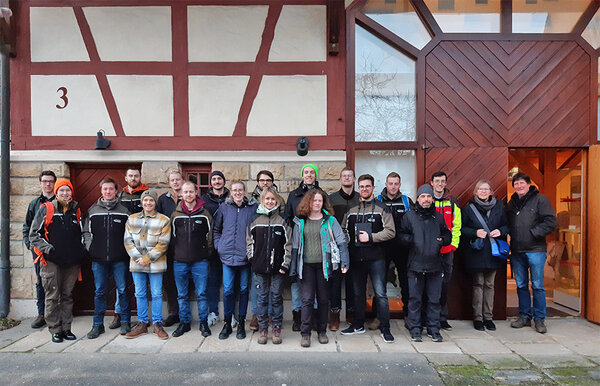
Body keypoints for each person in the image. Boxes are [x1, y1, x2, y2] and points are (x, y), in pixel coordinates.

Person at [29, 179, 87, 343]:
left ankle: (67, 328)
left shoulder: (76, 210)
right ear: (56, 192)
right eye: (61, 190)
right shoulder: (46, 209)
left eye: (67, 190)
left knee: (67, 295)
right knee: (52, 296)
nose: (65, 193)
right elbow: (34, 235)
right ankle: (55, 329)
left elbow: (84, 233)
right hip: (51, 261)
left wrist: (82, 250)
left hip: (72, 262)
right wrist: (49, 250)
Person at [290, 189, 349, 347]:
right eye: (314, 200)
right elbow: (295, 246)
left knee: (323, 300)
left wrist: (345, 262)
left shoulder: (330, 220)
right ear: (308, 202)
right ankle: (306, 333)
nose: (317, 203)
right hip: (306, 266)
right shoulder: (300, 221)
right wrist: (293, 268)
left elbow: (341, 241)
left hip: (325, 266)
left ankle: (322, 331)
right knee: (307, 300)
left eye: (320, 201)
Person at [341, 174, 396, 343]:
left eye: (367, 186)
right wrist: (349, 241)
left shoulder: (382, 209)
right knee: (358, 294)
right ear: (359, 189)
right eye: (362, 186)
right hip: (357, 259)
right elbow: (343, 230)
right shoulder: (351, 210)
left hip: (376, 258)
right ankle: (358, 324)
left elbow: (391, 231)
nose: (364, 189)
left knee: (380, 294)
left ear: (373, 188)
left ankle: (385, 327)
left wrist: (371, 237)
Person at [399, 184, 451, 343]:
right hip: (415, 265)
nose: (426, 199)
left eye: (429, 196)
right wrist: (411, 241)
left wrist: (441, 241)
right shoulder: (409, 217)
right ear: (418, 199)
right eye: (423, 196)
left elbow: (447, 234)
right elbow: (401, 235)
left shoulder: (438, 217)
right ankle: (415, 329)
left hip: (435, 265)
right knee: (415, 299)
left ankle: (434, 329)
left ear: (432, 198)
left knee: (434, 300)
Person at [506, 172, 557, 334]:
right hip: (517, 250)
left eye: (522, 183)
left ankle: (540, 319)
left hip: (535, 250)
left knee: (537, 285)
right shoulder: (512, 202)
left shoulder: (540, 200)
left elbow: (551, 222)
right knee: (521, 285)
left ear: (528, 184)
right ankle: (524, 316)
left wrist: (534, 233)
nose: (519, 186)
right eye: (516, 184)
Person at [83, 178, 132, 339]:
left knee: (123, 290)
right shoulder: (93, 210)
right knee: (100, 291)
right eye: (105, 189)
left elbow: (130, 233)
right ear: (101, 191)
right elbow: (86, 232)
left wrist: (126, 250)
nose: (108, 192)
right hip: (98, 259)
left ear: (116, 190)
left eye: (111, 189)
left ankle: (125, 321)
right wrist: (90, 248)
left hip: (120, 258)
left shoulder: (124, 211)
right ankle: (97, 325)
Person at [460, 180, 508, 331]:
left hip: (493, 251)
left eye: (486, 189)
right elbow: (461, 229)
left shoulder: (500, 206)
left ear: (491, 192)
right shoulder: (468, 208)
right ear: (475, 192)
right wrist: (475, 232)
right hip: (477, 251)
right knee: (478, 284)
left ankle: (488, 317)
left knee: (490, 284)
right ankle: (478, 318)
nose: (483, 191)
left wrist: (501, 231)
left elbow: (507, 225)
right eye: (480, 189)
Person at [124, 190, 171, 340]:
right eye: (145, 201)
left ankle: (157, 323)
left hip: (156, 263)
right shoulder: (131, 219)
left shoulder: (164, 220)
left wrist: (148, 258)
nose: (148, 203)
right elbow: (127, 241)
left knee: (157, 293)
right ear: (142, 202)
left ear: (155, 202)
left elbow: (163, 243)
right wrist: (139, 258)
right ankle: (142, 322)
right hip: (137, 263)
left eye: (151, 200)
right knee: (140, 293)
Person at [247, 187, 292, 344]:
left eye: (273, 199)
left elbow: (288, 244)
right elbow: (249, 242)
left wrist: (285, 264)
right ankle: (263, 329)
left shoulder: (282, 221)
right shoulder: (254, 221)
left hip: (277, 269)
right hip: (260, 269)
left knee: (276, 298)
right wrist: (253, 259)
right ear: (262, 200)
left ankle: (277, 329)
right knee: (261, 300)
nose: (270, 201)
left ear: (277, 201)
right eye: (267, 199)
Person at [213, 180, 257, 340]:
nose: (237, 193)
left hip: (245, 256)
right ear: (230, 192)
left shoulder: (253, 208)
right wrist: (219, 246)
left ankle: (242, 324)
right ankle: (227, 323)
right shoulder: (224, 208)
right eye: (234, 190)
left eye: (240, 190)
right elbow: (216, 229)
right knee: (228, 290)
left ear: (245, 192)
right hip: (227, 257)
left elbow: (256, 230)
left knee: (244, 290)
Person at [170, 181, 214, 338]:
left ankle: (203, 323)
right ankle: (184, 323)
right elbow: (172, 237)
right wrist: (177, 253)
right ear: (181, 193)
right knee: (182, 295)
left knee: (202, 293)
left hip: (199, 261)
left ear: (196, 192)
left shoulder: (204, 214)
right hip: (179, 261)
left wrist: (205, 253)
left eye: (191, 191)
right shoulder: (176, 215)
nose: (188, 195)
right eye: (185, 192)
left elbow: (210, 237)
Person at [374, 172, 414, 328]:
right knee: (380, 284)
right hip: (382, 248)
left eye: (396, 183)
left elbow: (414, 223)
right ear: (385, 184)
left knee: (406, 282)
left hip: (403, 249)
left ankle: (408, 315)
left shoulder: (406, 201)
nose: (393, 186)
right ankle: (379, 317)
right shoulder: (377, 201)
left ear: (400, 184)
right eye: (390, 183)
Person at [284, 164, 321, 331]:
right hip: (297, 244)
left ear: (315, 175)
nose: (309, 175)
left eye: (312, 172)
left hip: (316, 244)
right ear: (302, 175)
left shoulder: (321, 195)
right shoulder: (294, 195)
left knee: (313, 283)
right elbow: (287, 218)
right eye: (306, 172)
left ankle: (312, 317)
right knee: (296, 282)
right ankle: (297, 316)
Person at [111, 167, 148, 330]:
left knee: (143, 285)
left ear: (140, 177)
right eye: (131, 176)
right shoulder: (119, 196)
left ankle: (144, 317)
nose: (134, 178)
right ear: (125, 178)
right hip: (122, 244)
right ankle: (119, 314)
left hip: (143, 247)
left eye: (136, 175)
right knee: (121, 283)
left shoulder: (146, 195)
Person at [23, 170, 56, 329]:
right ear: (40, 183)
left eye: (50, 181)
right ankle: (41, 314)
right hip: (39, 252)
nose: (48, 184)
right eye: (45, 181)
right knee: (41, 282)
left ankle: (56, 313)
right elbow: (26, 227)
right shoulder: (34, 204)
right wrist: (29, 245)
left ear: (54, 183)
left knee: (57, 282)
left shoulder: (60, 202)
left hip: (56, 250)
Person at [327, 167, 359, 329]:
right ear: (340, 179)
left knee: (353, 281)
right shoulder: (332, 199)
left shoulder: (360, 199)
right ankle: (335, 314)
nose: (347, 178)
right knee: (335, 281)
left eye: (350, 176)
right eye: (344, 176)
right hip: (336, 246)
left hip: (356, 246)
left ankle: (352, 312)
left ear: (354, 179)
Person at [430, 171, 461, 330]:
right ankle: (429, 317)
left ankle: (442, 318)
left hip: (447, 251)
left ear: (446, 183)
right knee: (430, 285)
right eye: (437, 181)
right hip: (431, 251)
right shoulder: (428, 201)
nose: (440, 184)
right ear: (432, 183)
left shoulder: (452, 202)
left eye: (442, 181)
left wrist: (453, 245)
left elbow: (457, 227)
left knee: (444, 286)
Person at [249, 170, 279, 332]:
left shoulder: (279, 201)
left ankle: (272, 317)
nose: (265, 183)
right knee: (258, 288)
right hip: (259, 252)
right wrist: (252, 255)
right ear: (258, 182)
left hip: (275, 252)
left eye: (268, 180)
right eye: (262, 180)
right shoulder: (251, 202)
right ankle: (257, 315)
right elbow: (249, 230)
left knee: (274, 290)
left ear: (273, 182)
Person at [202, 170, 230, 327]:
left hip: (230, 248)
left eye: (220, 179)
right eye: (214, 179)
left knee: (230, 283)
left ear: (224, 182)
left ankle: (230, 313)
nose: (217, 181)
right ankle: (213, 312)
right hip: (211, 247)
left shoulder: (230, 198)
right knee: (212, 281)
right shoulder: (204, 200)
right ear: (211, 182)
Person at [157, 169, 184, 328]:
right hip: (167, 247)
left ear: (182, 180)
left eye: (178, 179)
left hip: (185, 247)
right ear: (169, 182)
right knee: (169, 282)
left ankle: (185, 313)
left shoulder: (188, 196)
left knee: (186, 281)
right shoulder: (163, 200)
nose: (175, 182)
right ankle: (173, 313)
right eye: (172, 180)